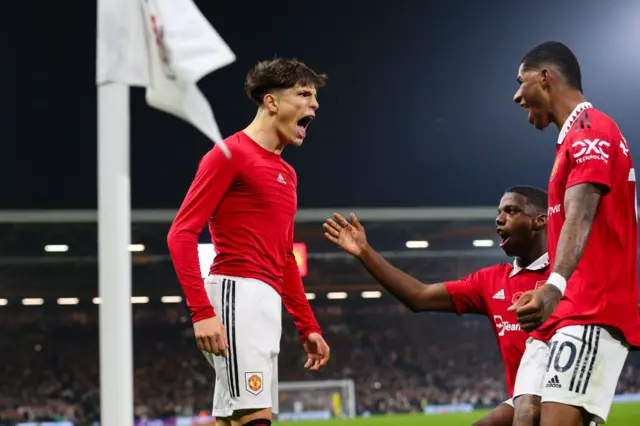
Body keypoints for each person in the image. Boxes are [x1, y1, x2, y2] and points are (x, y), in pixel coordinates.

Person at [167, 58, 331, 426]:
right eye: (304, 94)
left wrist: (308, 326)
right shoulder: (229, 155)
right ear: (271, 102)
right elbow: (181, 233)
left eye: (315, 98)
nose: (314, 105)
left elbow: (285, 258)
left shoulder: (287, 173)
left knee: (235, 419)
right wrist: (202, 312)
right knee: (257, 418)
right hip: (236, 295)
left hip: (264, 302)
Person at [323, 186, 549, 426]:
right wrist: (365, 252)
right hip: (523, 399)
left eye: (511, 211)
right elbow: (419, 296)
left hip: (568, 396)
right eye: (499, 212)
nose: (499, 218)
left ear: (540, 221)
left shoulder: (569, 273)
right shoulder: (489, 281)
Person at [509, 40, 640, 426]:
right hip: (567, 310)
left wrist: (554, 286)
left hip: (591, 310)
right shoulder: (572, 138)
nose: (516, 95)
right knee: (525, 417)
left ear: (545, 77)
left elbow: (580, 217)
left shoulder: (591, 129)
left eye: (521, 81)